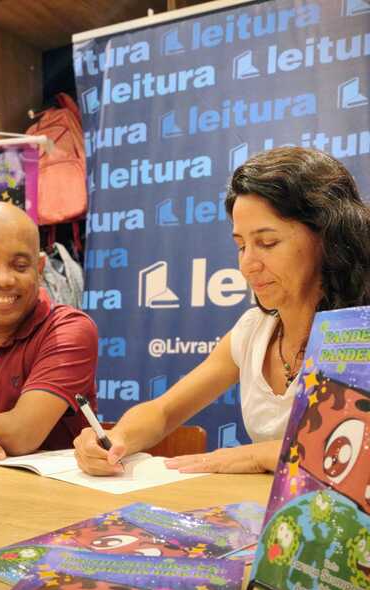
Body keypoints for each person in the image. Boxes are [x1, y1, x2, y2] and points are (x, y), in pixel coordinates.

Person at [74, 146, 370, 476]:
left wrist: (260, 455)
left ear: (328, 235)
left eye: (267, 243)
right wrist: (116, 440)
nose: (248, 265)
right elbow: (164, 412)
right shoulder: (253, 330)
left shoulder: (361, 331)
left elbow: (354, 454)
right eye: (241, 245)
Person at [0, 201, 98, 464]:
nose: (3, 279)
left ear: (40, 267)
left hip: (52, 498)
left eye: (20, 265)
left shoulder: (69, 329)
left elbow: (23, 432)